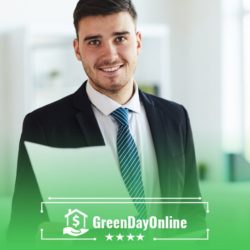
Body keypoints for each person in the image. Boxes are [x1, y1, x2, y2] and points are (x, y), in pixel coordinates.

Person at [8, 0, 206, 242]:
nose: (109, 55)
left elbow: (192, 216)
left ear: (138, 41)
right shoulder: (44, 126)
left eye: (120, 38)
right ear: (77, 49)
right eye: (94, 42)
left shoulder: (176, 118)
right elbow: (22, 228)